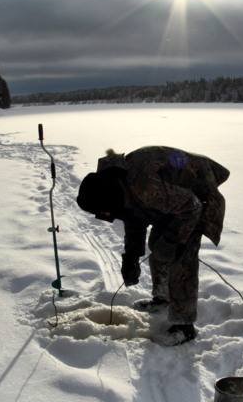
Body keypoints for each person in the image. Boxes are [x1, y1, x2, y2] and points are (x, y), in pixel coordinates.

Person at [75, 145, 230, 345]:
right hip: (174, 199)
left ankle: (185, 327)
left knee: (180, 259)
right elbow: (133, 217)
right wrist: (131, 256)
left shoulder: (145, 187)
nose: (104, 215)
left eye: (103, 211)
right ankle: (163, 299)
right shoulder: (117, 186)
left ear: (109, 199)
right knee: (158, 246)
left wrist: (173, 239)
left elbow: (193, 206)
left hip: (198, 196)